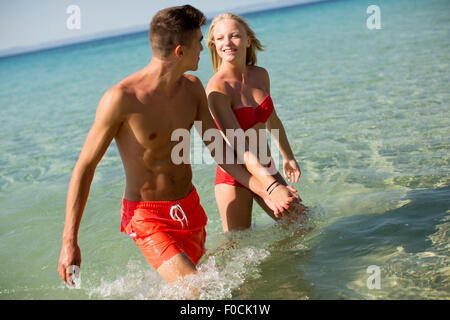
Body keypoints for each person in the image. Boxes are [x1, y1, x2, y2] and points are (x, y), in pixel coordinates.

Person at [57, 5, 299, 285]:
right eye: (199, 42)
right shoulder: (121, 99)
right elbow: (85, 167)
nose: (203, 48)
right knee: (199, 291)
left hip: (190, 209)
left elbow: (218, 149)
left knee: (214, 285)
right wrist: (69, 241)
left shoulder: (193, 88)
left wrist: (266, 189)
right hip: (148, 216)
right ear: (179, 51)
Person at [206, 13, 306, 232]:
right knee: (236, 247)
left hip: (265, 165)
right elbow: (239, 146)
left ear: (248, 40)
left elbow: (273, 120)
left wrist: (288, 157)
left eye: (234, 36)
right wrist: (271, 187)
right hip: (236, 176)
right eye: (221, 38)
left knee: (303, 224)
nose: (228, 43)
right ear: (214, 45)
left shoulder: (260, 75)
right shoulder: (217, 89)